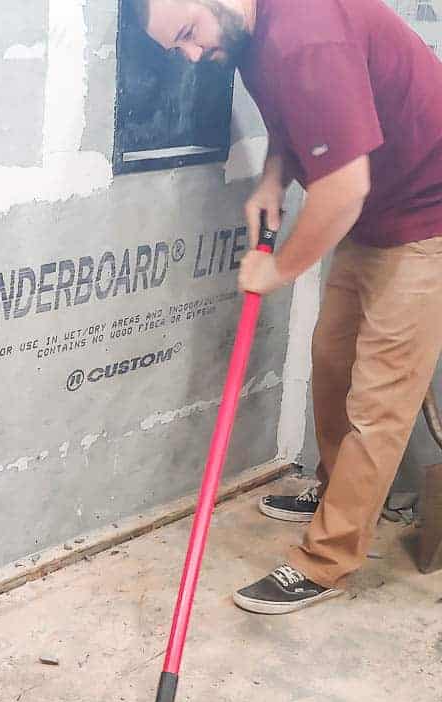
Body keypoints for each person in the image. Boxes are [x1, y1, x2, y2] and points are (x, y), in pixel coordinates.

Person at [133, 0, 442, 614]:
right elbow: (296, 114)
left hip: (425, 216)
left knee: (378, 403)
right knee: (331, 364)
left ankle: (327, 560)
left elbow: (344, 187)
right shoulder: (253, 35)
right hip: (376, 214)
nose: (193, 56)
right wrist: (274, 178)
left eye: (189, 34)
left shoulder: (306, 36)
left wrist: (275, 270)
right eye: (179, 49)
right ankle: (338, 493)